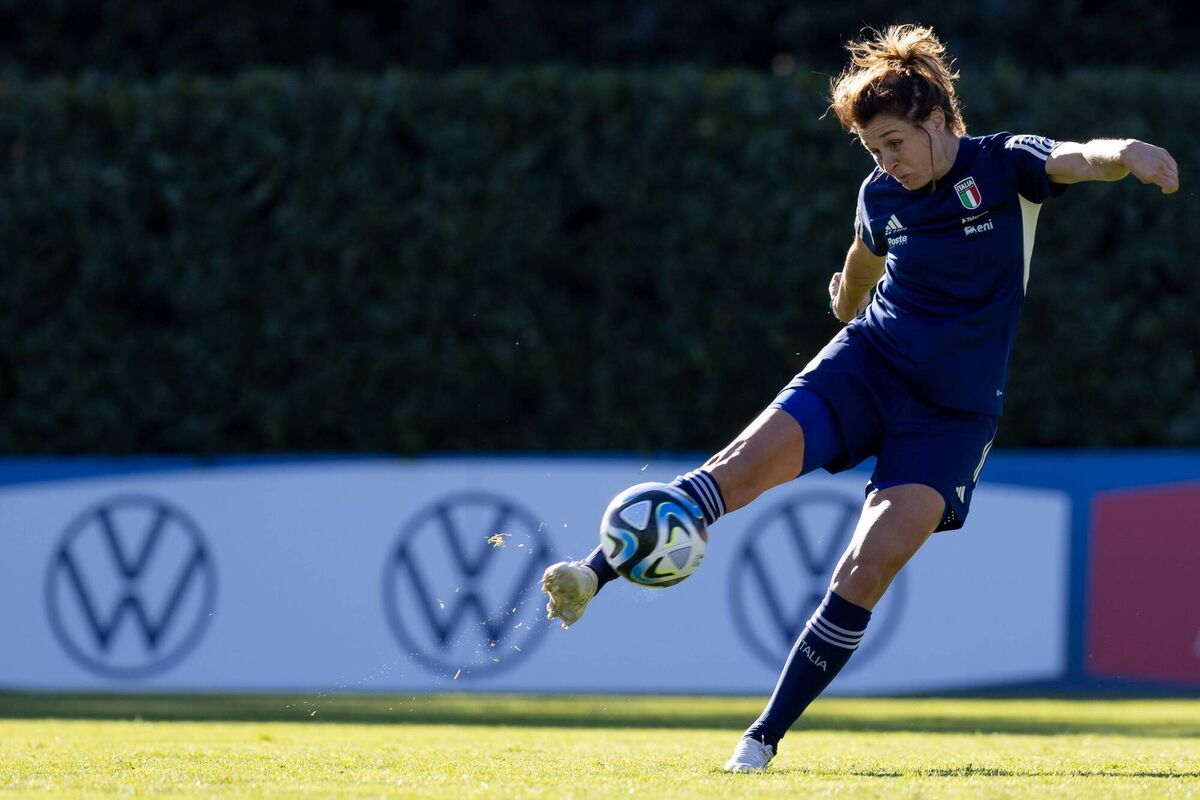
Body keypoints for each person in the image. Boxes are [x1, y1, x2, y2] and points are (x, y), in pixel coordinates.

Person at [541, 24, 1179, 772]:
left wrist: (1125, 155)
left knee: (864, 570)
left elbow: (1076, 158)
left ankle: (761, 738)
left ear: (941, 120)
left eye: (896, 142)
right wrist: (846, 299)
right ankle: (592, 573)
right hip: (867, 365)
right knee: (738, 471)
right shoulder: (881, 193)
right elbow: (862, 260)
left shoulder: (1003, 165)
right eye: (874, 149)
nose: (887, 162)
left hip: (952, 415)